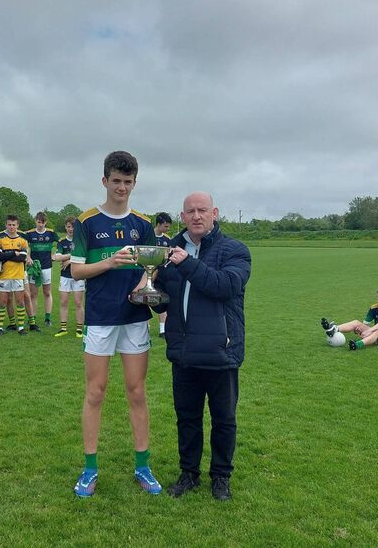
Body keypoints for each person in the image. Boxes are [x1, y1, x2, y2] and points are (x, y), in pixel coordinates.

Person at [70, 151, 161, 497]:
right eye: (116, 181)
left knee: (137, 392)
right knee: (95, 392)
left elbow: (151, 268)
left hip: (134, 318)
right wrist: (110, 262)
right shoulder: (87, 221)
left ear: (135, 183)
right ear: (104, 181)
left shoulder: (143, 223)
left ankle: (143, 466)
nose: (121, 187)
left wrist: (142, 285)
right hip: (100, 318)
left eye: (128, 182)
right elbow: (76, 270)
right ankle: (90, 469)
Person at [153, 191, 251, 501]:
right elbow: (165, 298)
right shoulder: (169, 251)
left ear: (214, 213)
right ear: (182, 217)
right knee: (187, 418)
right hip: (184, 352)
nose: (196, 216)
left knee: (224, 420)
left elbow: (225, 286)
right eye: (190, 211)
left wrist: (187, 264)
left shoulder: (235, 250)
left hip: (221, 350)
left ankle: (221, 476)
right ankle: (189, 474)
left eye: (202, 210)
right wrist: (149, 295)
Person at [321, 285, 378, 350]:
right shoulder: (374, 308)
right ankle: (334, 329)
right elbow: (365, 324)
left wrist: (369, 330)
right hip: (375, 333)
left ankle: (357, 345)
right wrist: (359, 331)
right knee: (356, 322)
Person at [0, 215, 29, 335]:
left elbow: (22, 258)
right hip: (4, 275)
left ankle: (21, 327)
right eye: (9, 224)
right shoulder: (0, 239)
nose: (11, 227)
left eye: (14, 225)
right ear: (6, 225)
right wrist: (14, 253)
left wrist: (6, 255)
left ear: (17, 225)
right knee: (2, 302)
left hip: (18, 275)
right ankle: (0, 328)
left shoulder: (23, 240)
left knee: (20, 302)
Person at [52, 216, 84, 338]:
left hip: (79, 276)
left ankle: (79, 329)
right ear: (65, 227)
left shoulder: (81, 240)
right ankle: (63, 329)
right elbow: (57, 257)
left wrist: (70, 260)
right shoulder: (62, 242)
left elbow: (85, 257)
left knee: (78, 302)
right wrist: (73, 256)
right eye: (69, 226)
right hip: (65, 276)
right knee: (63, 302)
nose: (71, 229)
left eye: (73, 227)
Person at [25, 212, 58, 328]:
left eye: (43, 222)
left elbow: (61, 244)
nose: (40, 224)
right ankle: (32, 318)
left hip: (47, 266)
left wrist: (55, 254)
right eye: (39, 222)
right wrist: (28, 257)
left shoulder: (51, 233)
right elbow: (25, 246)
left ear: (46, 222)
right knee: (33, 294)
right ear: (35, 221)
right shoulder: (29, 234)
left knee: (47, 292)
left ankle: (47, 318)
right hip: (34, 267)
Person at [154, 212, 172, 337]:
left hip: (161, 274)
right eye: (166, 226)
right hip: (146, 273)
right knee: (144, 300)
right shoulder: (148, 236)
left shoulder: (167, 239)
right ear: (158, 224)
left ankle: (162, 330)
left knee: (161, 299)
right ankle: (145, 327)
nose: (167, 229)